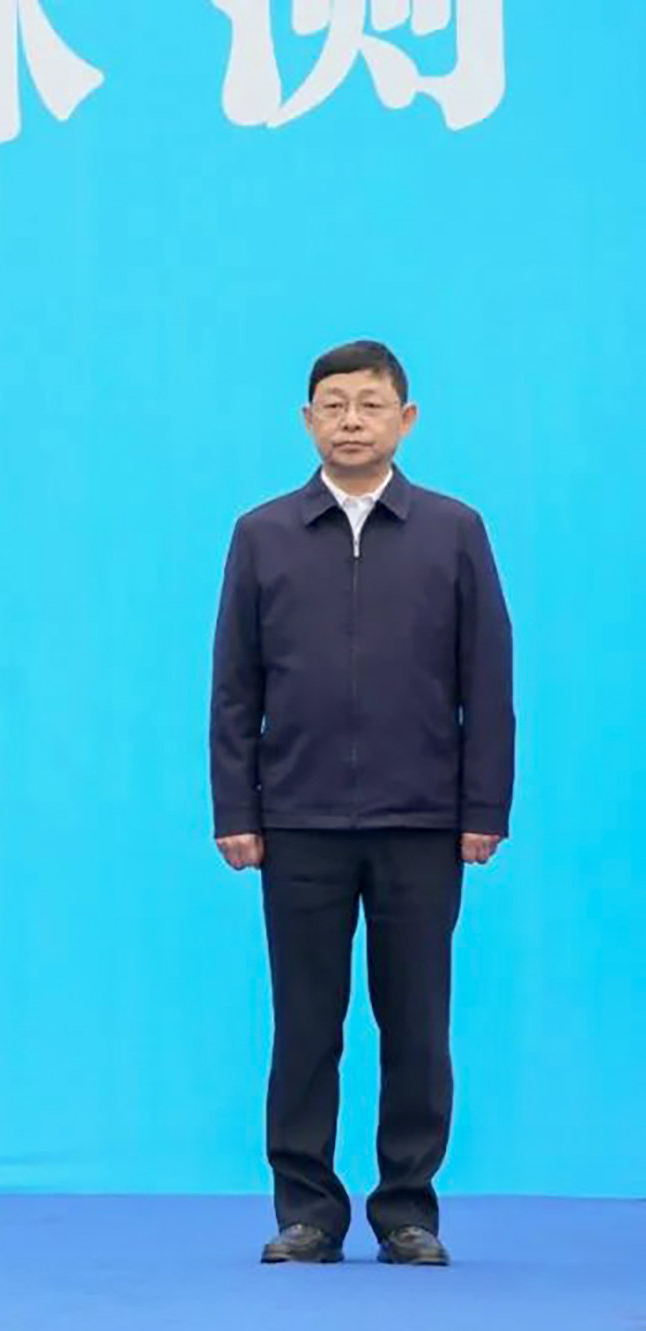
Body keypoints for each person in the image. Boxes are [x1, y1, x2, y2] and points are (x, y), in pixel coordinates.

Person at [210, 338, 514, 1268]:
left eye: (369, 405)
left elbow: (487, 678)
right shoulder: (261, 533)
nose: (350, 420)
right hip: (295, 819)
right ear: (306, 421)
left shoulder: (453, 529)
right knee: (306, 1024)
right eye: (332, 404)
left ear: (404, 420)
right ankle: (307, 1210)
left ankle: (406, 1209)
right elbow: (233, 687)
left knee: (415, 1021)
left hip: (421, 819)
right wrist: (236, 810)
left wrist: (482, 809)